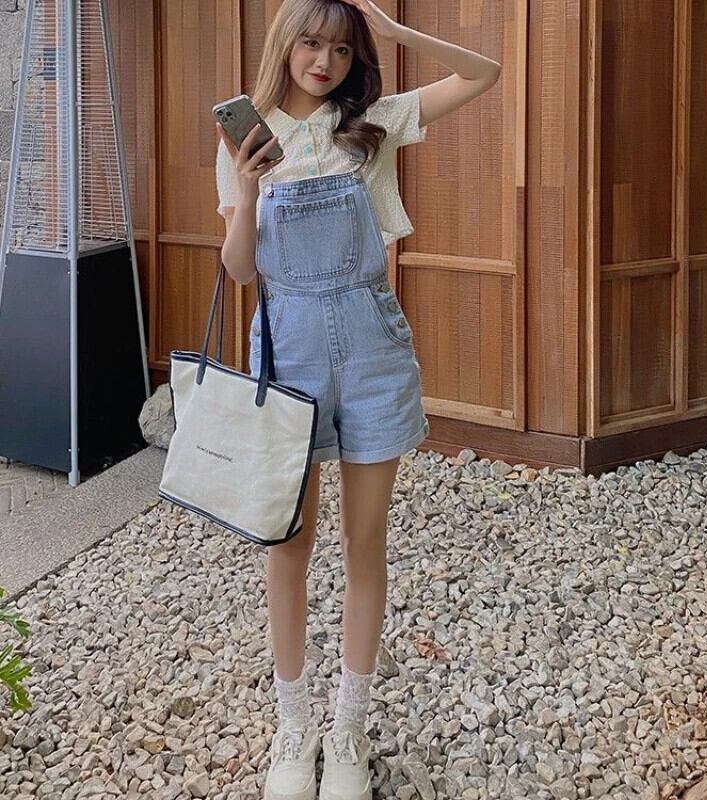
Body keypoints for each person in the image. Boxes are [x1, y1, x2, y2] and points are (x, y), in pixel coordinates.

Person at [215, 2, 500, 798]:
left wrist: (398, 33)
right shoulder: (245, 136)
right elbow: (240, 271)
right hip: (289, 350)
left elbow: (484, 74)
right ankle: (292, 727)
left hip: (371, 348)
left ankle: (348, 728)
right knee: (288, 546)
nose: (325, 61)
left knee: (364, 542)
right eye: (311, 43)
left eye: (342, 49)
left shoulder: (372, 122)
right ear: (285, 45)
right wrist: (246, 189)